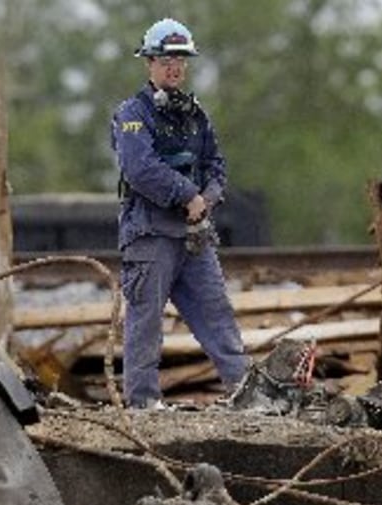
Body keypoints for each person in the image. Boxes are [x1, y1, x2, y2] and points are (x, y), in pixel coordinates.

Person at [111, 18, 248, 409]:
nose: (175, 67)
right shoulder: (132, 114)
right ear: (149, 62)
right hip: (150, 236)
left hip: (194, 236)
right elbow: (140, 169)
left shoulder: (195, 114)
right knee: (145, 324)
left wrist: (208, 197)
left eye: (181, 60)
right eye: (167, 58)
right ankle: (143, 407)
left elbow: (216, 164)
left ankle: (246, 396)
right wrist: (188, 194)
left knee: (218, 316)